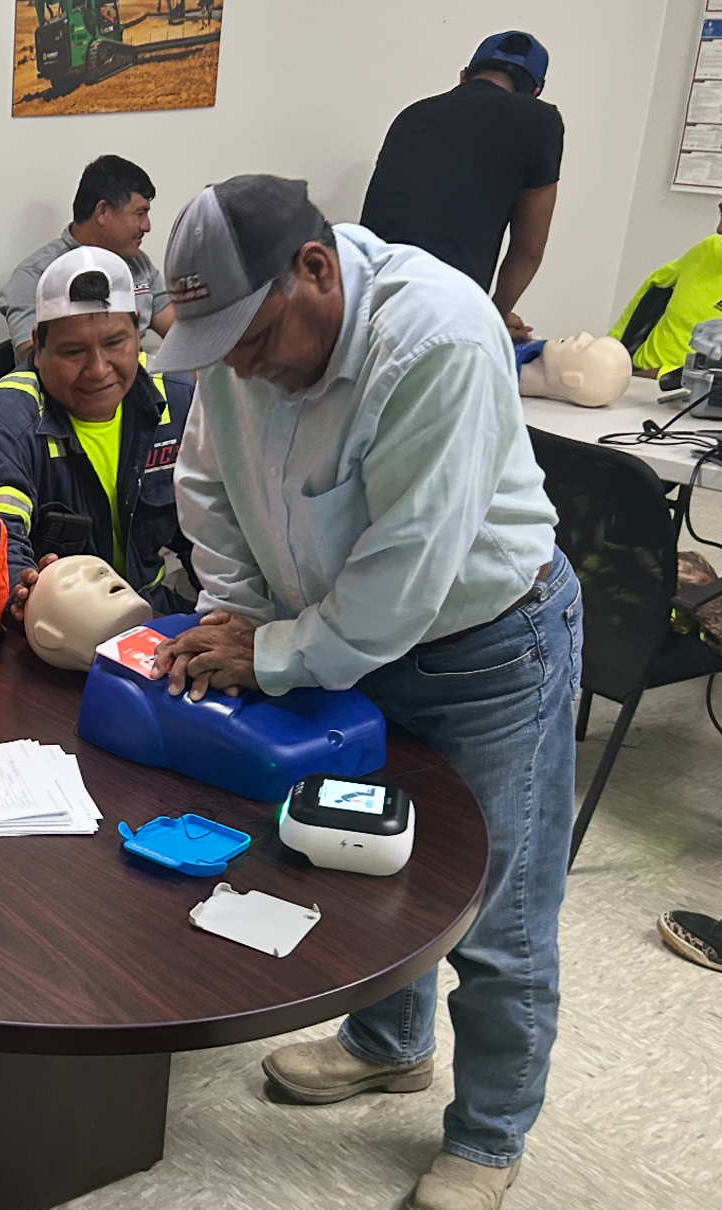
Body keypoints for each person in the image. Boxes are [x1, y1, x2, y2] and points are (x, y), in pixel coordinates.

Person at [149, 175, 581, 1210]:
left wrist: (276, 653)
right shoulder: (241, 337)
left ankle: (486, 1136)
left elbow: (406, 574)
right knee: (364, 856)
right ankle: (388, 1042)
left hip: (485, 647)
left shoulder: (437, 339)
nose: (240, 368)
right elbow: (206, 488)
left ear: (313, 268)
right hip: (332, 634)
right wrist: (242, 616)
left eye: (252, 343)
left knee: (494, 909)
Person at [0, 245, 196, 621]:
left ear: (138, 333)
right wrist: (30, 595)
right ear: (38, 347)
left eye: (115, 343)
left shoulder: (177, 398)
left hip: (155, 611)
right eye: (72, 351)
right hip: (60, 627)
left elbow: (213, 536)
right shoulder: (3, 424)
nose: (99, 369)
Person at [360, 31, 563, 342]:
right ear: (534, 91)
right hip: (443, 318)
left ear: (464, 76)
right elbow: (529, 250)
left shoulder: (412, 115)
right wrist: (494, 318)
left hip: (365, 304)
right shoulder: (541, 121)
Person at [0, 155, 174, 362]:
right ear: (102, 212)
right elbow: (35, 358)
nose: (147, 226)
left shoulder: (139, 265)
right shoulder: (35, 275)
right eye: (139, 214)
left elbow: (179, 334)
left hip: (136, 387)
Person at [609, 201, 722, 381]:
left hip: (689, 393)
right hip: (634, 377)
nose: (719, 229)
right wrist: (609, 350)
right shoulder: (710, 249)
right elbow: (654, 287)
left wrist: (664, 376)